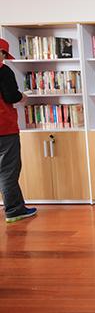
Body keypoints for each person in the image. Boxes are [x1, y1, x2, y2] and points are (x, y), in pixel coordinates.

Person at [0, 38, 37, 223]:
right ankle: (14, 210)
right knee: (8, 170)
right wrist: (23, 96)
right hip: (4, 128)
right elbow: (11, 96)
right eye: (4, 54)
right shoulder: (3, 71)